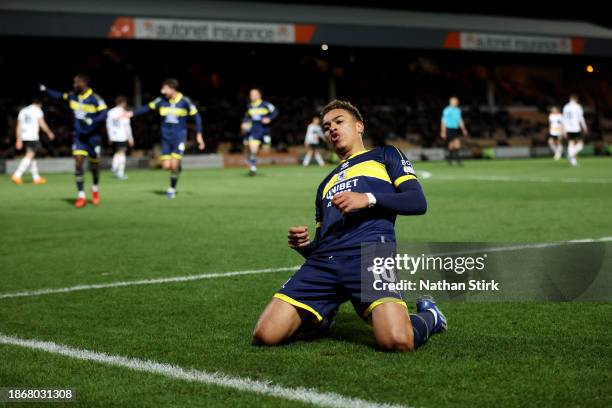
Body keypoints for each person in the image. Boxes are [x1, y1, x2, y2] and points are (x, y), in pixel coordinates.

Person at [252, 100, 446, 352]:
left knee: (397, 341)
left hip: (372, 253)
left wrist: (368, 199)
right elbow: (320, 246)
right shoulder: (325, 183)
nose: (331, 128)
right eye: (326, 126)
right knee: (265, 335)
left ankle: (430, 316)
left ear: (359, 126)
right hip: (324, 262)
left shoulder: (385, 155)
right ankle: (320, 317)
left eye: (339, 121)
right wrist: (305, 246)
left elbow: (417, 201)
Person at [127, 78, 205, 198]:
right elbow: (147, 107)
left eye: (165, 89)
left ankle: (172, 188)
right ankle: (178, 167)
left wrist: (199, 135)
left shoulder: (185, 101)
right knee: (166, 166)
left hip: (179, 137)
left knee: (173, 165)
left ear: (172, 89)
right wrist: (132, 113)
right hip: (165, 138)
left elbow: (197, 117)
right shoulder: (161, 101)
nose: (162, 91)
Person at [41, 74, 107, 208]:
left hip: (93, 138)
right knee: (78, 162)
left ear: (84, 83)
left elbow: (105, 114)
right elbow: (60, 96)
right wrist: (45, 89)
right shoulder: (72, 96)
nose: (74, 85)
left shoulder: (95, 98)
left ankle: (95, 189)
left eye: (77, 83)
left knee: (94, 167)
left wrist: (92, 120)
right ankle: (81, 195)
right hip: (79, 136)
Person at [11, 98, 55, 185]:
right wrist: (49, 132)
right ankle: (17, 174)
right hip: (32, 136)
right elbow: (42, 123)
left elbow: (19, 126)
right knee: (30, 155)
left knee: (32, 157)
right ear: (39, 103)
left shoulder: (23, 110)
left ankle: (36, 178)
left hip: (24, 136)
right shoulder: (37, 110)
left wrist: (18, 139)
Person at [241, 88, 278, 176]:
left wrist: (269, 118)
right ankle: (253, 167)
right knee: (251, 147)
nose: (252, 96)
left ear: (259, 95)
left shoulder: (266, 104)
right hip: (254, 130)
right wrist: (244, 123)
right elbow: (247, 117)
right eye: (251, 94)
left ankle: (253, 162)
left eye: (254, 94)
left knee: (263, 150)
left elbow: (275, 111)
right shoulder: (249, 106)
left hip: (264, 130)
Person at [106, 96, 134, 180]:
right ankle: (119, 171)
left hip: (114, 136)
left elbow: (108, 125)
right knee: (122, 153)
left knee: (117, 152)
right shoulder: (124, 112)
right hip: (122, 135)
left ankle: (114, 166)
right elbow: (127, 126)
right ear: (123, 103)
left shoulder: (110, 112)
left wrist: (109, 136)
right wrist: (131, 138)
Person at [441, 96, 468, 166]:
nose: (456, 102)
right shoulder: (446, 110)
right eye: (454, 101)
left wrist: (463, 129)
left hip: (455, 129)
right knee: (457, 144)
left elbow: (460, 120)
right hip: (449, 129)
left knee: (451, 145)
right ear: (451, 102)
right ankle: (458, 160)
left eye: (456, 101)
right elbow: (443, 121)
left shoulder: (458, 110)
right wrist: (443, 132)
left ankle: (449, 160)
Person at [563, 94, 588, 167]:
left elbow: (563, 118)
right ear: (576, 99)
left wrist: (564, 129)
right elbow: (581, 117)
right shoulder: (577, 107)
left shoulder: (566, 107)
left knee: (571, 143)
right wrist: (584, 127)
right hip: (575, 128)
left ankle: (572, 160)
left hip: (568, 128)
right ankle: (571, 155)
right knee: (580, 145)